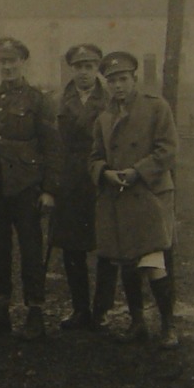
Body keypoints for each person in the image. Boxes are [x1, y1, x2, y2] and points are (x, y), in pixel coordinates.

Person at [0, 36, 58, 338]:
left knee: (31, 250)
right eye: (2, 61)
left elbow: (51, 147)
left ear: (23, 62)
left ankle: (35, 311)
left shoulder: (37, 99)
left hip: (26, 185)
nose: (7, 66)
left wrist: (48, 190)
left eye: (12, 60)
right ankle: (0, 310)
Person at [90, 50, 180, 346]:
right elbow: (95, 157)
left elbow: (167, 149)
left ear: (134, 79)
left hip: (150, 194)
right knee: (126, 260)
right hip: (119, 196)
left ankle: (168, 326)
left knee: (154, 259)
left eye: (123, 79)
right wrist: (104, 173)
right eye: (112, 80)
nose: (118, 86)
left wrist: (137, 171)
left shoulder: (156, 108)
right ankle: (138, 322)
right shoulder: (104, 117)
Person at [49, 44, 117, 331]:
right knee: (72, 248)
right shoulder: (57, 100)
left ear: (98, 68)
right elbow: (52, 145)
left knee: (107, 246)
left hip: (101, 179)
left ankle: (101, 309)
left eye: (89, 66)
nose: (84, 72)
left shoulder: (111, 99)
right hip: (69, 183)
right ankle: (80, 309)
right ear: (71, 69)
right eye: (79, 67)